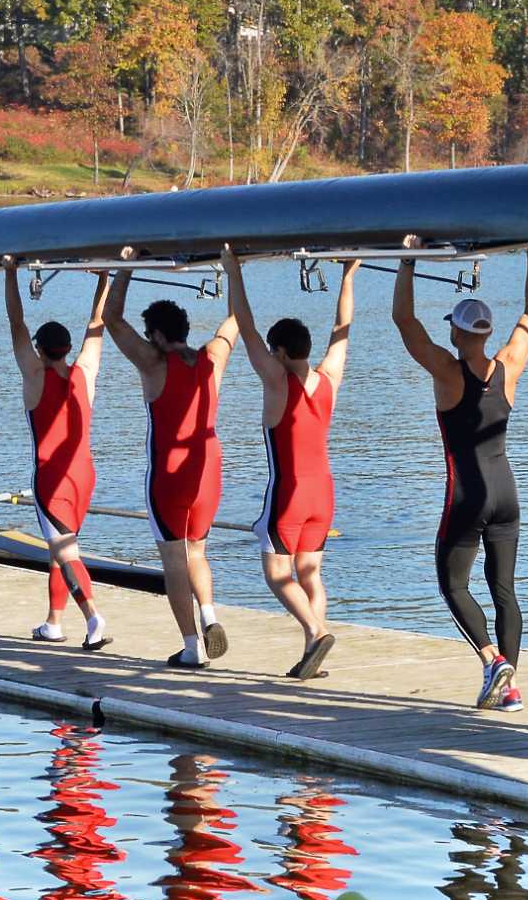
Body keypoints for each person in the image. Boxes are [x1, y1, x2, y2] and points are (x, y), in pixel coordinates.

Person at [393, 239, 528, 711]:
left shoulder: (447, 371)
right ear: (486, 332)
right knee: (505, 591)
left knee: (452, 583)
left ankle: (492, 660)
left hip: (467, 496)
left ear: (458, 335)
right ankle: (510, 689)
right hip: (507, 493)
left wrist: (407, 260)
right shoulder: (509, 366)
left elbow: (405, 323)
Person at [222, 243, 357, 680]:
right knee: (310, 572)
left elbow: (245, 325)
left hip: (290, 493)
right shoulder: (329, 378)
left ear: (279, 352)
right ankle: (311, 655)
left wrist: (232, 270)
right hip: (325, 493)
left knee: (277, 573)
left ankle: (316, 632)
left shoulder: (277, 380)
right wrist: (349, 274)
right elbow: (342, 329)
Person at [106, 248, 239, 668]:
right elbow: (236, 318)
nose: (148, 342)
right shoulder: (213, 357)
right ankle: (209, 615)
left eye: (150, 336)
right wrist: (234, 266)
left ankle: (191, 647)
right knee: (197, 550)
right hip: (209, 472)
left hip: (169, 475)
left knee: (173, 561)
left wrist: (124, 268)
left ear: (159, 337)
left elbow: (112, 320)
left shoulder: (153, 363)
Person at [3, 256, 113, 651]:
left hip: (52, 478)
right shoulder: (85, 370)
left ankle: (94, 617)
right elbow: (96, 325)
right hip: (85, 475)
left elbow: (16, 324)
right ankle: (53, 622)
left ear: (40, 349)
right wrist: (105, 277)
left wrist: (11, 274)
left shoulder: (34, 376)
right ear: (66, 349)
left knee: (65, 551)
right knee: (59, 548)